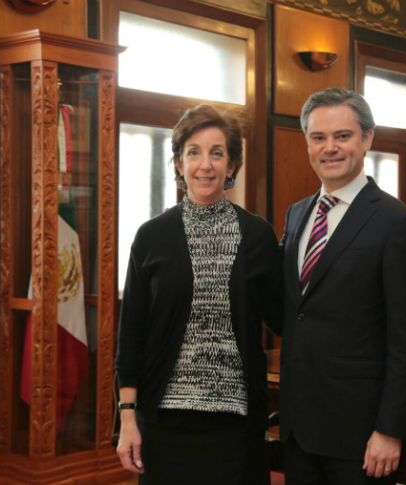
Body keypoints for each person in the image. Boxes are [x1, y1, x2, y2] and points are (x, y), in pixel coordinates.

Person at [115, 104, 282, 485]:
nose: (205, 165)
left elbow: (284, 316)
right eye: (194, 152)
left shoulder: (257, 236)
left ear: (232, 165)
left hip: (237, 424)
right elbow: (131, 336)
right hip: (165, 422)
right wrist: (127, 418)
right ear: (178, 163)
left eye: (217, 152)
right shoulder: (151, 236)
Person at [279, 87, 406, 484]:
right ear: (307, 143)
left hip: (361, 437)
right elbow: (296, 310)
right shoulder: (297, 215)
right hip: (298, 430)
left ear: (367, 138)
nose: (330, 148)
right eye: (318, 137)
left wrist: (390, 429)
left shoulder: (397, 224)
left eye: (342, 136)